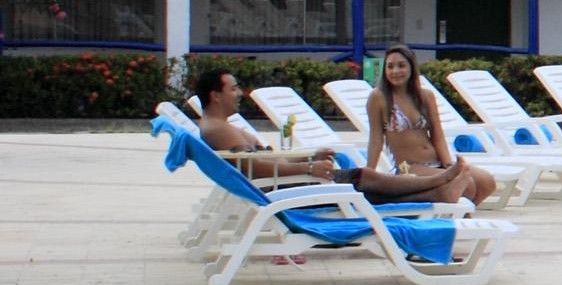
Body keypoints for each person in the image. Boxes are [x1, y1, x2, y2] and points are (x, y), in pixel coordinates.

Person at [363, 45, 496, 205]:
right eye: (390, 66)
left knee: (487, 182)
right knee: (467, 185)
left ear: (411, 67)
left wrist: (447, 165)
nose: (395, 71)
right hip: (407, 166)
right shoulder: (379, 97)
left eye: (401, 65)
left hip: (436, 161)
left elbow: (437, 135)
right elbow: (376, 140)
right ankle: (459, 215)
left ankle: (455, 212)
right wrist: (368, 174)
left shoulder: (425, 96)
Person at [186, 68, 346, 184]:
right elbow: (256, 169)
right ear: (215, 96)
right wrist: (309, 167)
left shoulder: (219, 126)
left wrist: (309, 157)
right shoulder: (219, 130)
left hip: (285, 182)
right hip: (284, 189)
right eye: (233, 89)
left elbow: (268, 161)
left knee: (351, 167)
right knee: (363, 178)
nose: (240, 94)